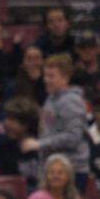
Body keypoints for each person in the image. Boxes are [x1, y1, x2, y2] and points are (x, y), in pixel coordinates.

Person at [38, 54, 90, 187]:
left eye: (51, 76)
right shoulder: (50, 99)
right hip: (53, 168)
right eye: (45, 75)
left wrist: (40, 144)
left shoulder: (71, 101)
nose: (46, 80)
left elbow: (73, 137)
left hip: (72, 170)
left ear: (65, 77)